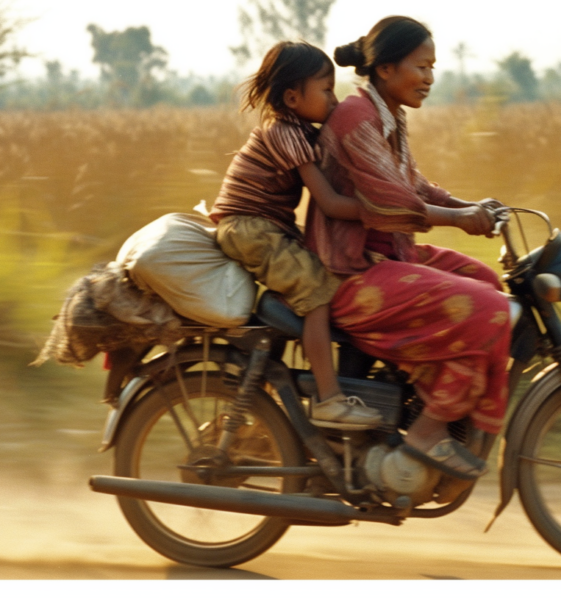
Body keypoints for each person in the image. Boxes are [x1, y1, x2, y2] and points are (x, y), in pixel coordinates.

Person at [305, 16, 511, 494]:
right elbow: (393, 201)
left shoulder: (388, 115)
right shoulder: (357, 117)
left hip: (390, 259)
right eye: (422, 67)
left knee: (489, 284)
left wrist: (470, 206)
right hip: (351, 274)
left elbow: (413, 184)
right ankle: (426, 432)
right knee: (491, 312)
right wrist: (460, 220)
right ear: (386, 69)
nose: (430, 79)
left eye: (433, 68)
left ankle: (426, 400)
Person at [209, 41, 382, 429]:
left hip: (265, 226)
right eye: (325, 90)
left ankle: (269, 410)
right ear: (292, 96)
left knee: (313, 277)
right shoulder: (284, 132)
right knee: (318, 290)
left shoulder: (299, 127)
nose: (334, 101)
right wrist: (384, 212)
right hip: (250, 228)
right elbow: (330, 202)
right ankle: (329, 399)